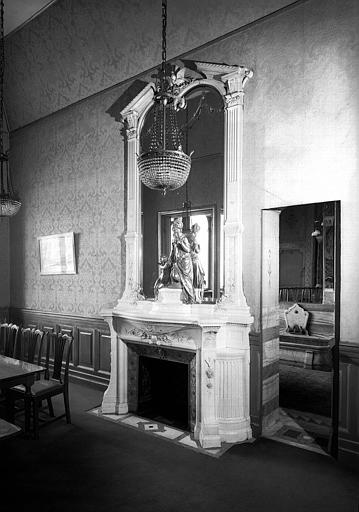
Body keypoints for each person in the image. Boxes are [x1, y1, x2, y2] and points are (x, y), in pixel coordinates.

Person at [169, 218, 195, 304]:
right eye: (174, 230)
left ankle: (191, 298)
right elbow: (172, 252)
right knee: (173, 275)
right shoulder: (175, 239)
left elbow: (188, 250)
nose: (174, 232)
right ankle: (182, 297)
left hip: (185, 262)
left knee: (186, 280)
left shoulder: (184, 238)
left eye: (175, 230)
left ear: (179, 229)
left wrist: (181, 243)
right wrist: (169, 260)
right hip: (178, 261)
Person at [188, 223, 206, 303]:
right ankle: (196, 296)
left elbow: (197, 250)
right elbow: (196, 249)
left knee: (199, 276)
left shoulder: (192, 237)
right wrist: (197, 246)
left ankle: (197, 296)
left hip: (193, 258)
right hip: (193, 259)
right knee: (197, 276)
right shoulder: (192, 237)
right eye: (196, 229)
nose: (196, 232)